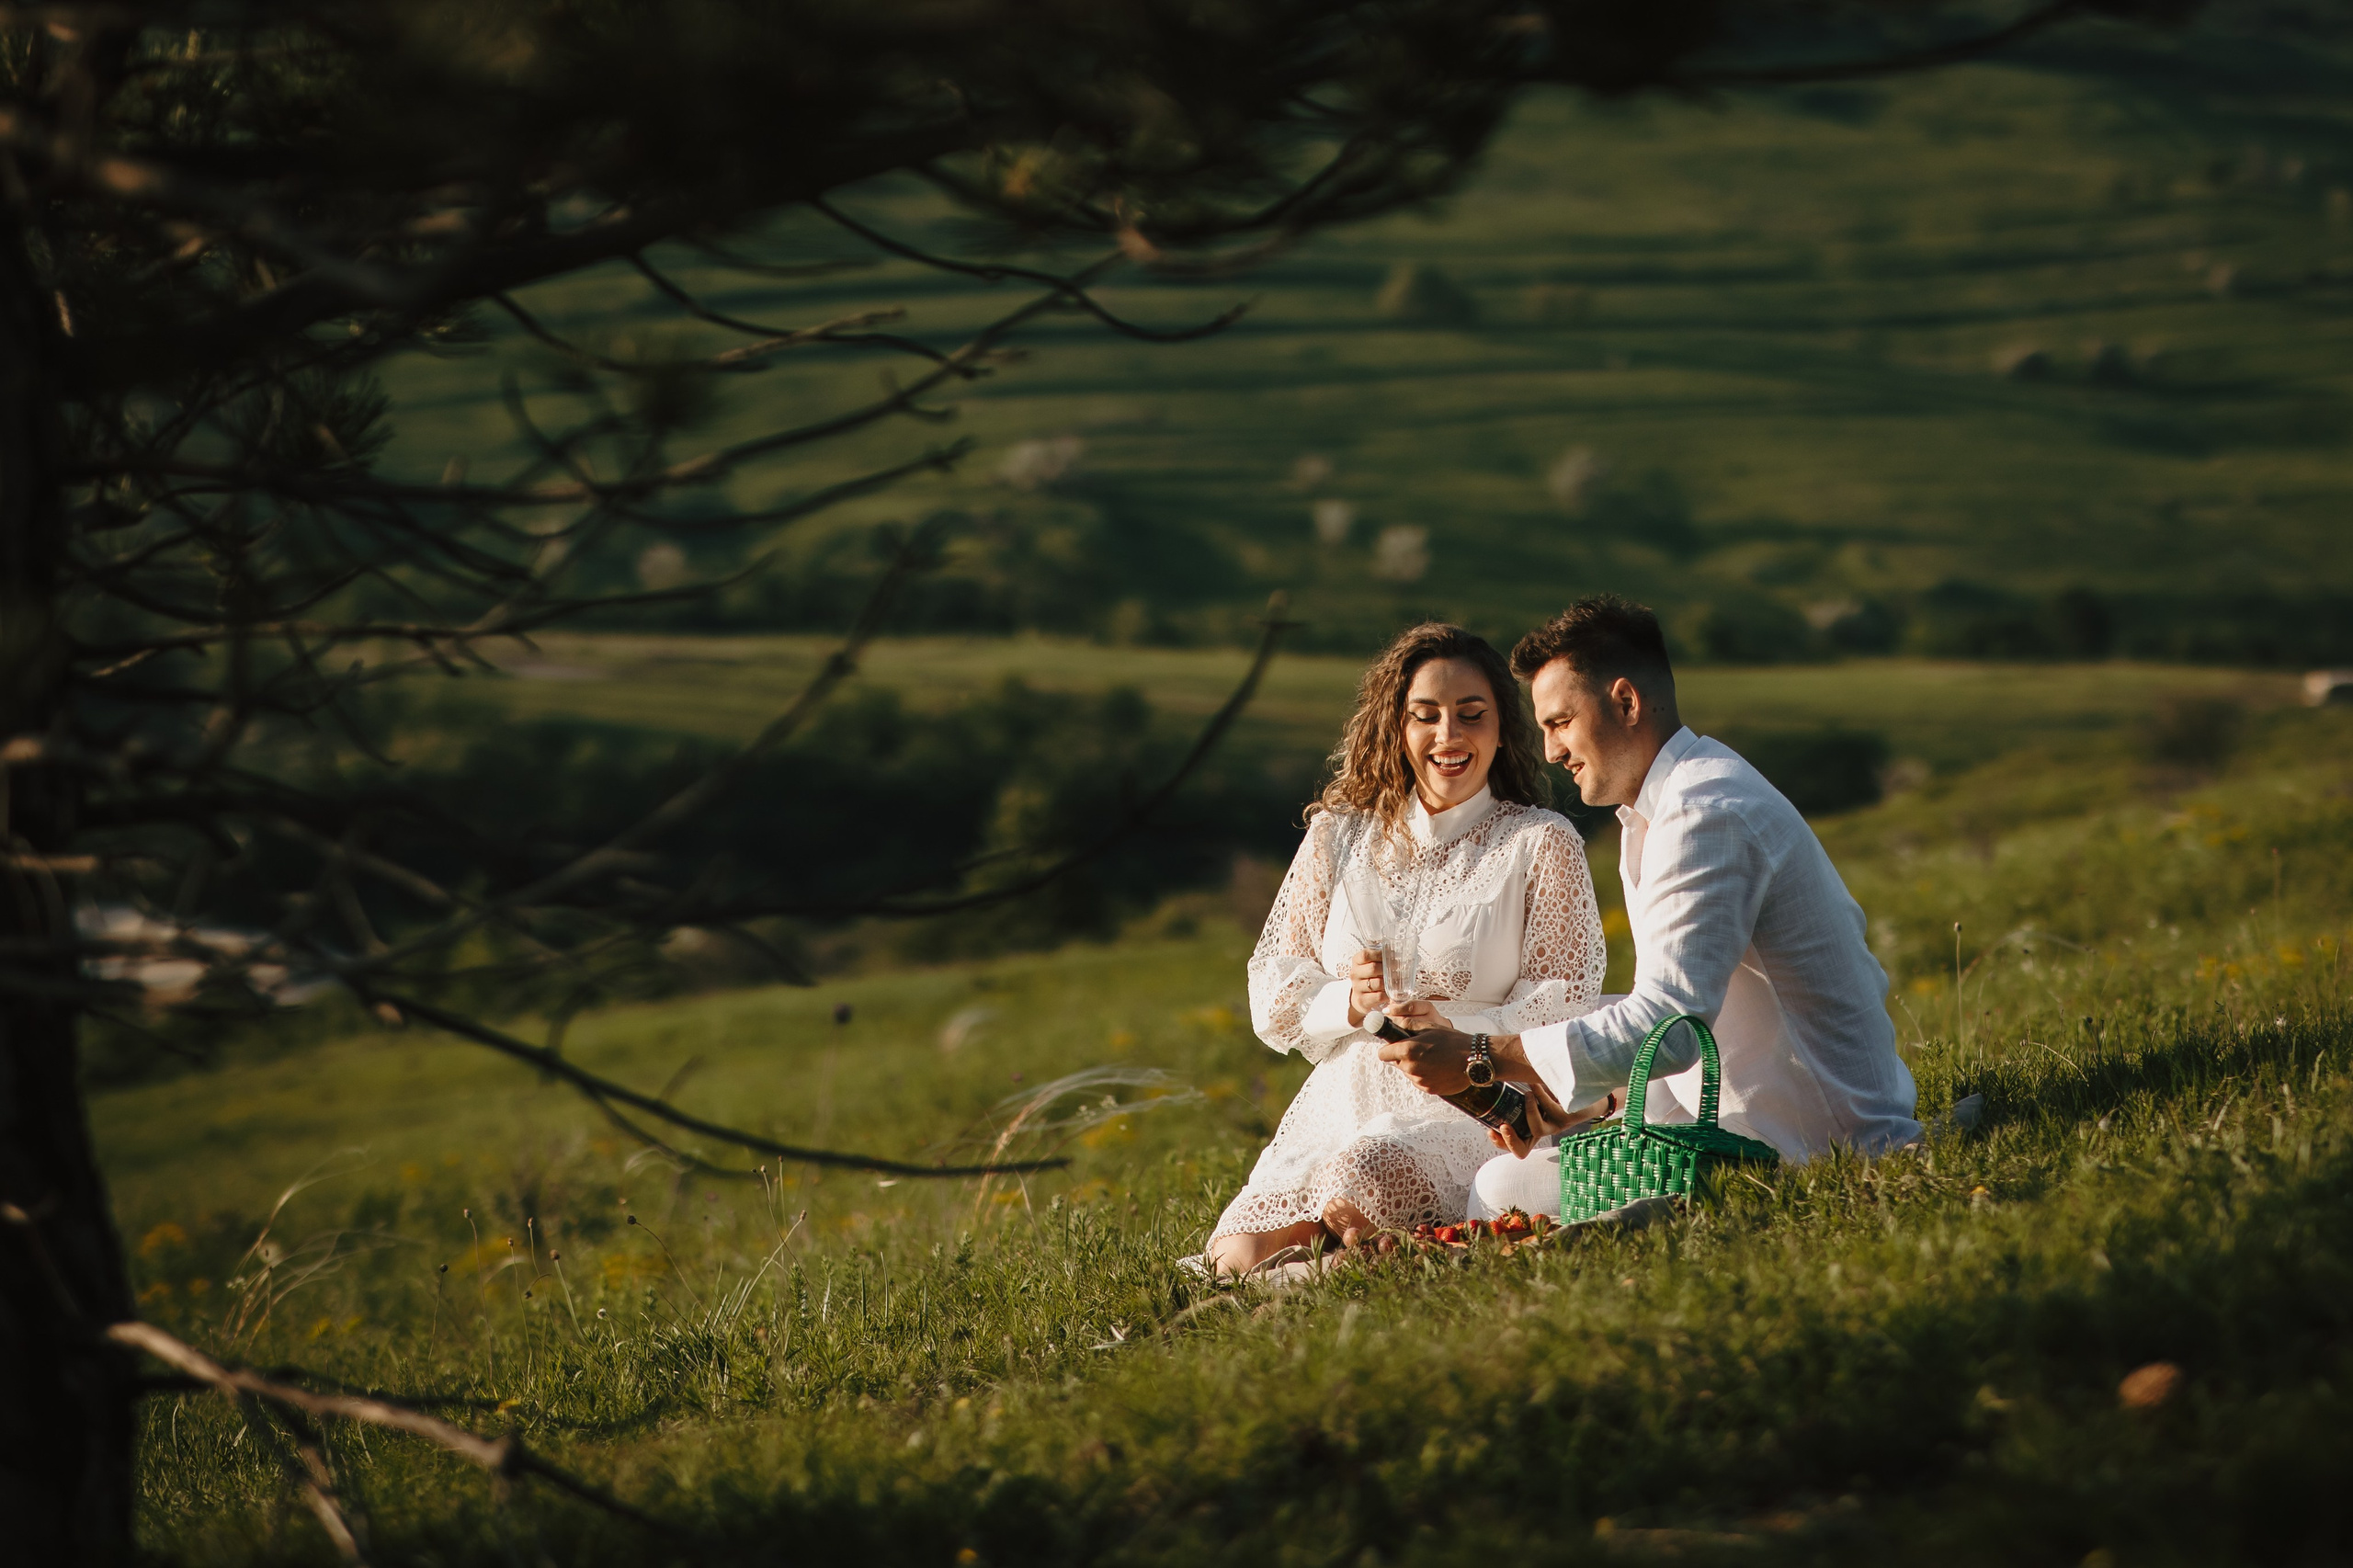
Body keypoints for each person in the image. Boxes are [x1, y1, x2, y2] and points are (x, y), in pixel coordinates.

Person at [1378, 595, 1922, 1221]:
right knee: (1526, 1158)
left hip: (1817, 1145)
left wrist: (1482, 1054)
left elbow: (1670, 1025)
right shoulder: (1669, 804)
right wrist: (1573, 1092)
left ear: (1626, 702)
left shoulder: (1704, 815)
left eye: (1559, 723)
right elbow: (1675, 1015)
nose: (1552, 751)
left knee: (1502, 1188)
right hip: (1764, 1110)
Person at [1204, 623, 1608, 1278]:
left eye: (1470, 716)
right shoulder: (1338, 835)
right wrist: (1350, 1001)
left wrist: (1461, 1032)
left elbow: (1564, 998)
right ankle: (1359, 1267)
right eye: (1426, 717)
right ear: (1397, 727)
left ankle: (1370, 1265)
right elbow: (1272, 987)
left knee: (1358, 1185)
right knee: (1237, 1257)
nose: (1448, 737)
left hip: (1470, 1095)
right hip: (1342, 1092)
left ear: (1503, 728)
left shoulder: (1541, 841)